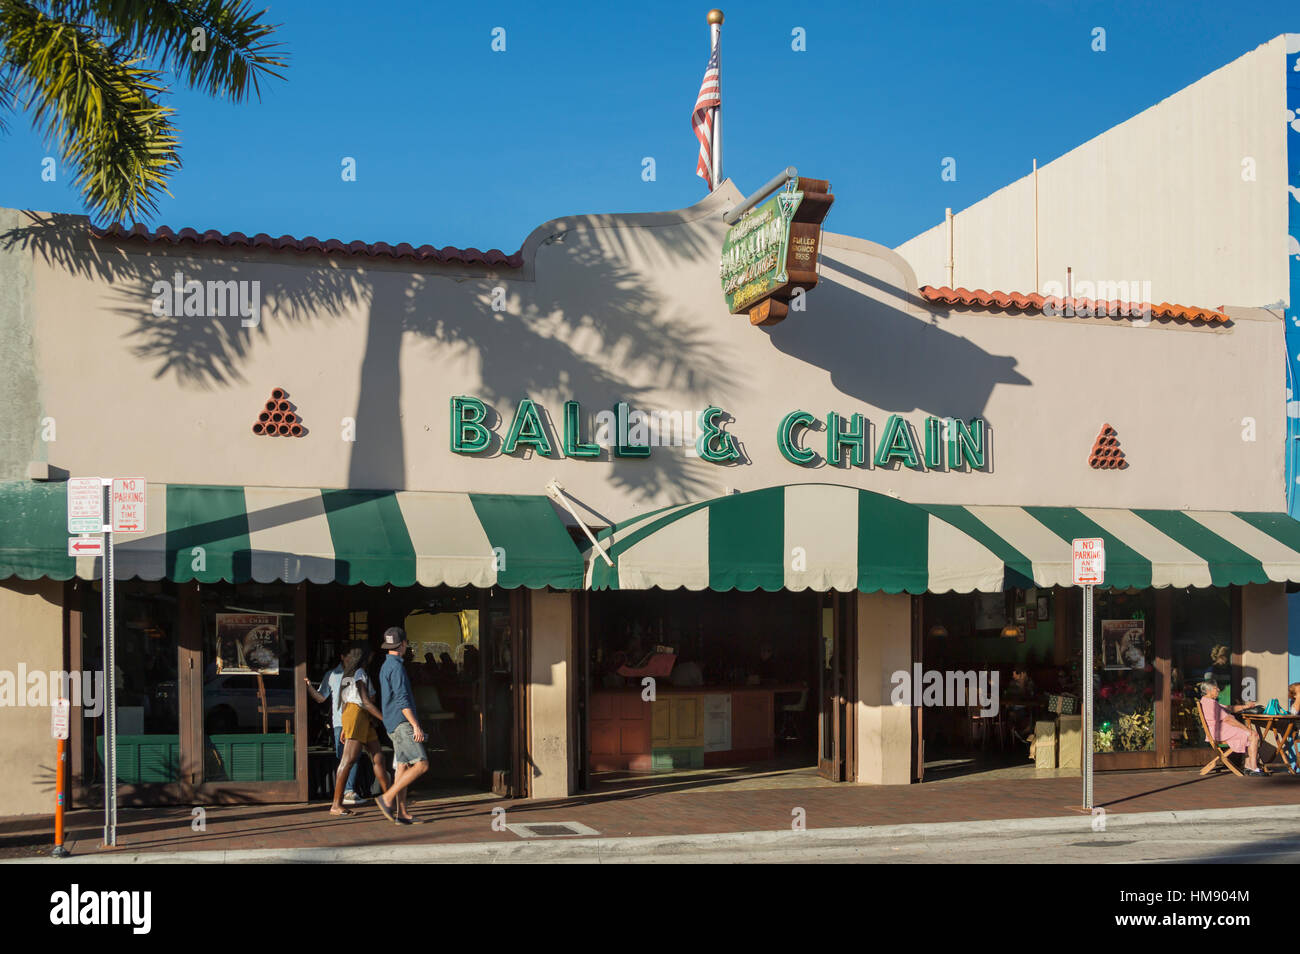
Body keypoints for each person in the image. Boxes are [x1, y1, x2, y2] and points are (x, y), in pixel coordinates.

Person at [327, 643, 391, 816]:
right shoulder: (360, 673)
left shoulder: (350, 673)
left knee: (378, 756)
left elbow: (347, 700)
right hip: (358, 714)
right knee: (348, 760)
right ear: (365, 657)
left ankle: (388, 798)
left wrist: (345, 726)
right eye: (370, 655)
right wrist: (386, 719)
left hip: (358, 716)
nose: (372, 658)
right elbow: (366, 701)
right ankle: (336, 805)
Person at [375, 627, 428, 825]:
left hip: (392, 723)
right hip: (402, 722)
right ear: (403, 644)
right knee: (421, 764)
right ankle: (387, 798)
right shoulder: (396, 667)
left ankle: (402, 813)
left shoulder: (386, 665)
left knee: (403, 766)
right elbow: (402, 699)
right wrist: (415, 725)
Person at [305, 643, 367, 806]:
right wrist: (308, 686)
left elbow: (370, 696)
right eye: (350, 656)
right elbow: (320, 697)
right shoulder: (333, 675)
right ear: (342, 657)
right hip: (341, 721)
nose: (353, 659)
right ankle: (346, 792)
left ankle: (346, 792)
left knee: (352, 757)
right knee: (346, 757)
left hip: (356, 719)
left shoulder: (359, 673)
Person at [1199, 681, 1264, 775]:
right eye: (1215, 688)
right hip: (1220, 732)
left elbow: (1228, 708)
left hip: (1218, 731)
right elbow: (1228, 719)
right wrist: (1246, 729)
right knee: (1253, 734)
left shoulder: (1206, 701)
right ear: (1208, 691)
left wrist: (1246, 706)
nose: (1218, 690)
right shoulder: (1211, 703)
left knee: (1250, 734)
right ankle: (1253, 767)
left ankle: (1248, 766)